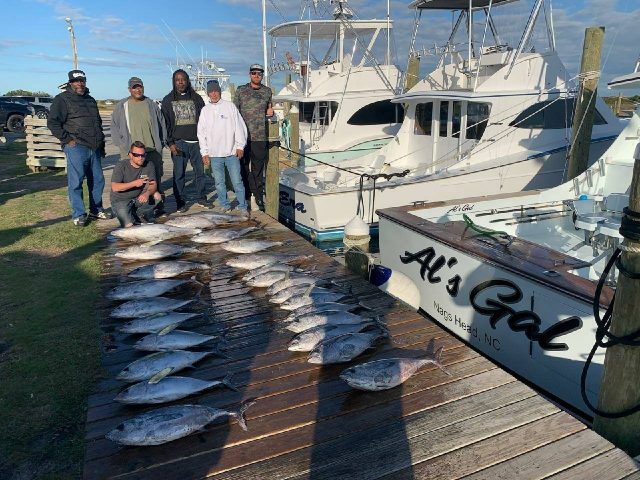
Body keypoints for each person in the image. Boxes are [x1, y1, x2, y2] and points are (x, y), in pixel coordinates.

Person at [48, 69, 113, 226]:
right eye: (76, 81)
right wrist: (67, 140)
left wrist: (101, 145)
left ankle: (96, 210)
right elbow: (53, 123)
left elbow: (97, 123)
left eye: (82, 80)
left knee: (97, 180)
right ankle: (78, 214)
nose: (80, 83)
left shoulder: (90, 100)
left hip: (94, 147)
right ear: (70, 83)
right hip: (76, 146)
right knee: (76, 182)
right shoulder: (62, 99)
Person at [111, 76, 167, 217]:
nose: (138, 89)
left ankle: (158, 207)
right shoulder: (121, 106)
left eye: (139, 86)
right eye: (134, 87)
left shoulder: (151, 104)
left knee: (155, 180)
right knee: (131, 179)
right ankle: (134, 206)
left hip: (151, 149)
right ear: (129, 89)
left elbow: (162, 124)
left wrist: (162, 142)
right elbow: (114, 127)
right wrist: (122, 145)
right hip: (131, 152)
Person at [161, 69, 209, 213]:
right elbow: (166, 124)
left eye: (183, 79)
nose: (180, 82)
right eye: (177, 80)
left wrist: (205, 142)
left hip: (196, 143)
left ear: (187, 80)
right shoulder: (168, 100)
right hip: (179, 143)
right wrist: (170, 143)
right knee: (179, 174)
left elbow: (204, 121)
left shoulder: (197, 98)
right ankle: (180, 201)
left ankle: (201, 198)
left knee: (200, 173)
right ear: (174, 82)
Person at [197, 80, 248, 215]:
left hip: (231, 153)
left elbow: (240, 127)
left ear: (219, 91)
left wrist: (240, 146)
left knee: (237, 181)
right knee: (219, 183)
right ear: (208, 93)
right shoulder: (205, 110)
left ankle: (243, 206)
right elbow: (201, 133)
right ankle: (224, 204)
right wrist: (204, 152)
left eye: (216, 90)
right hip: (214, 155)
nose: (213, 94)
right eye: (211, 91)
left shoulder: (230, 106)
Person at [234, 63, 273, 211]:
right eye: (254, 73)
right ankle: (246, 194)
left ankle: (257, 196)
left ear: (262, 75)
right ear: (249, 74)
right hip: (243, 137)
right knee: (243, 167)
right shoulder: (240, 90)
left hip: (260, 136)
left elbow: (269, 109)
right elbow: (234, 113)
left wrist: (271, 112)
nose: (256, 75)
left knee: (258, 168)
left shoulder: (267, 91)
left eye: (259, 73)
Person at [110, 141, 161, 227]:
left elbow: (153, 184)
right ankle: (132, 216)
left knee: (157, 196)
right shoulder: (121, 166)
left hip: (138, 198)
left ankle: (139, 214)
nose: (140, 158)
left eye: (143, 155)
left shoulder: (149, 165)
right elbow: (115, 187)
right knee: (128, 225)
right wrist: (134, 183)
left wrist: (147, 193)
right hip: (121, 200)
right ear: (130, 155)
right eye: (136, 155)